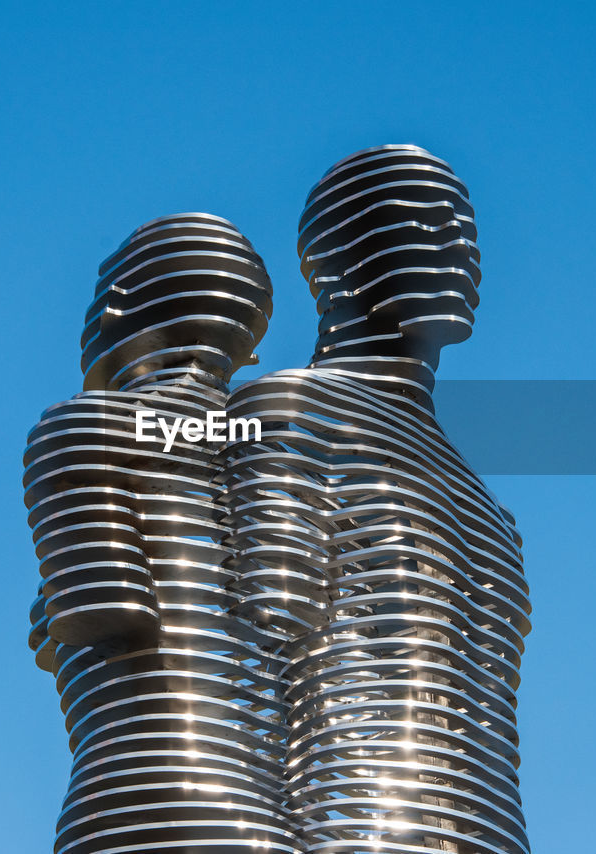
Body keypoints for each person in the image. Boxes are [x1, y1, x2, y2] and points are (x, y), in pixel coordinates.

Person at [223, 145, 532, 854]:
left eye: (463, 231)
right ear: (332, 262)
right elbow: (245, 667)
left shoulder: (487, 509)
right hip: (349, 834)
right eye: (422, 223)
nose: (457, 250)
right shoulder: (292, 415)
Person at [24, 213, 296, 854]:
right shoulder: (280, 452)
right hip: (277, 817)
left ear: (113, 307)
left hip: (146, 801)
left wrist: (55, 621)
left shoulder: (85, 431)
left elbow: (110, 612)